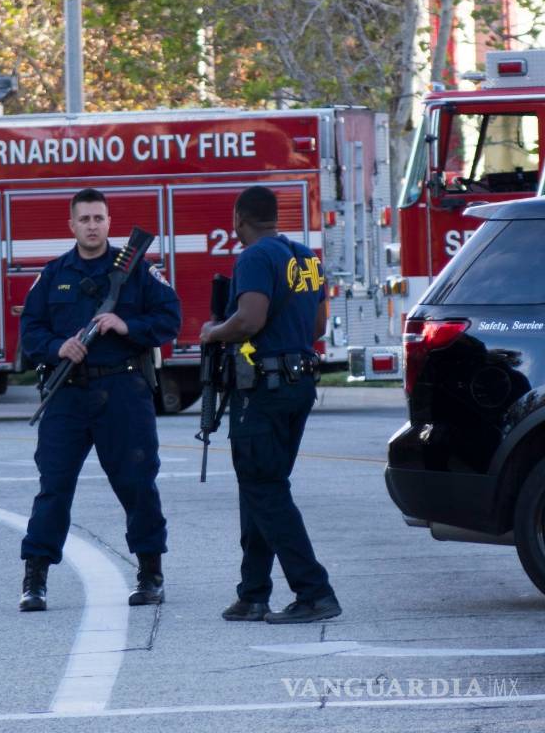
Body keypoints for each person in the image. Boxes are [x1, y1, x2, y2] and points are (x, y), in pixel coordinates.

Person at [18, 188, 181, 612]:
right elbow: (30, 331)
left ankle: (150, 573)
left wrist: (125, 325)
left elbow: (170, 318)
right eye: (84, 219)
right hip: (67, 393)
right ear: (70, 225)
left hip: (123, 392)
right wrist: (59, 347)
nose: (92, 225)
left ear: (110, 223)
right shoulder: (54, 274)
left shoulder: (136, 271)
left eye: (99, 218)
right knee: (53, 487)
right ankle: (35, 578)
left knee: (136, 484)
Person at [199, 185, 341, 624]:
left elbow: (250, 320)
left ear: (240, 218)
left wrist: (213, 331)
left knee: (265, 488)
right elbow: (317, 324)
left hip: (265, 389)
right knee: (261, 487)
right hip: (298, 384)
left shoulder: (255, 257)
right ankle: (253, 592)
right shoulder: (305, 257)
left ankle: (314, 592)